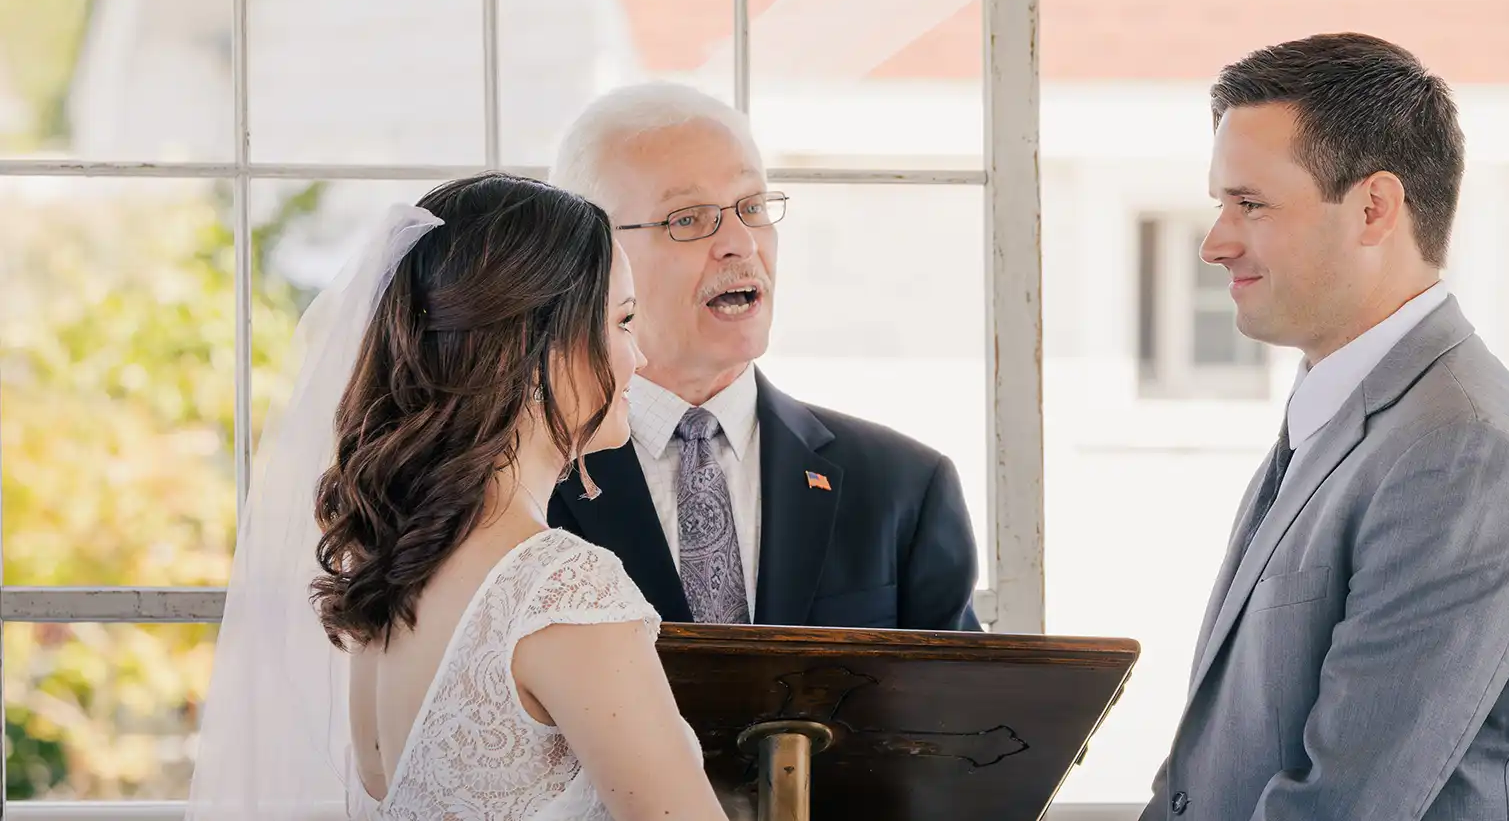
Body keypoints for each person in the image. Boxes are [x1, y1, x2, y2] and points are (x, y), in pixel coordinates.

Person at [1142, 34, 1509, 821]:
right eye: (1220, 204)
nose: (1215, 243)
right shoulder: (1347, 414)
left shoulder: (1461, 456)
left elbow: (1343, 807)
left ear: (1375, 209)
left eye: (1250, 204)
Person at [185, 174, 729, 821]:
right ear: (537, 348)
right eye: (622, 320)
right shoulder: (561, 591)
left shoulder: (392, 578)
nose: (637, 358)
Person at [546, 82, 981, 631]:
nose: (741, 243)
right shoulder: (520, 484)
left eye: (751, 208)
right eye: (689, 218)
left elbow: (964, 711)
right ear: (591, 258)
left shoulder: (904, 487)